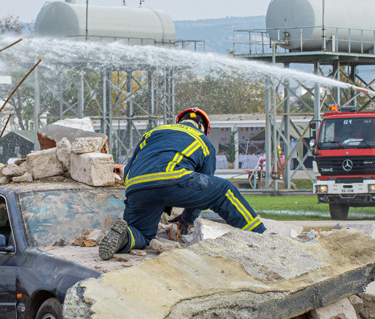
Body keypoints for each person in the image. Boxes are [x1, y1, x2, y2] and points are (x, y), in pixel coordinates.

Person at [98, 108, 266, 260]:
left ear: (179, 121)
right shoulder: (202, 140)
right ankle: (262, 237)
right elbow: (203, 183)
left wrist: (134, 194)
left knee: (142, 233)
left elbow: (130, 167)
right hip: (171, 178)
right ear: (202, 126)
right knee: (223, 191)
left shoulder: (153, 133)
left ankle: (125, 237)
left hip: (136, 186)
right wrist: (188, 218)